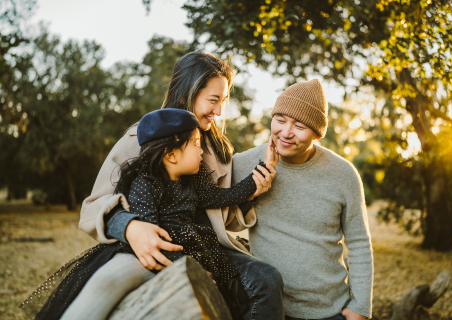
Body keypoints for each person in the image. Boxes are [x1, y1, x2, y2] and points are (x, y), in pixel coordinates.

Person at [72, 52, 284, 320]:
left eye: (223, 101)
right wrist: (129, 226)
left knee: (265, 279)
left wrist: (255, 188)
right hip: (155, 247)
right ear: (186, 94)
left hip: (208, 248)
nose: (219, 111)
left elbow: (219, 210)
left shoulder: (216, 150)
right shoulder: (142, 137)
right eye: (213, 100)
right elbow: (94, 206)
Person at [20, 108, 278, 320]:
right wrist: (186, 271)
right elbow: (151, 234)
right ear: (171, 153)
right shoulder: (146, 184)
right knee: (106, 284)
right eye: (196, 145)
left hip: (196, 250)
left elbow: (222, 197)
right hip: (157, 253)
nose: (202, 151)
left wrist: (259, 176)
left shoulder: (194, 180)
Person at [232, 79, 374, 320]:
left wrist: (360, 307)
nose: (286, 132)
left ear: (317, 134)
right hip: (267, 309)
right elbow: (219, 220)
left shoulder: (343, 174)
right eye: (280, 120)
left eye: (299, 125)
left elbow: (359, 243)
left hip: (330, 311)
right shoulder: (242, 164)